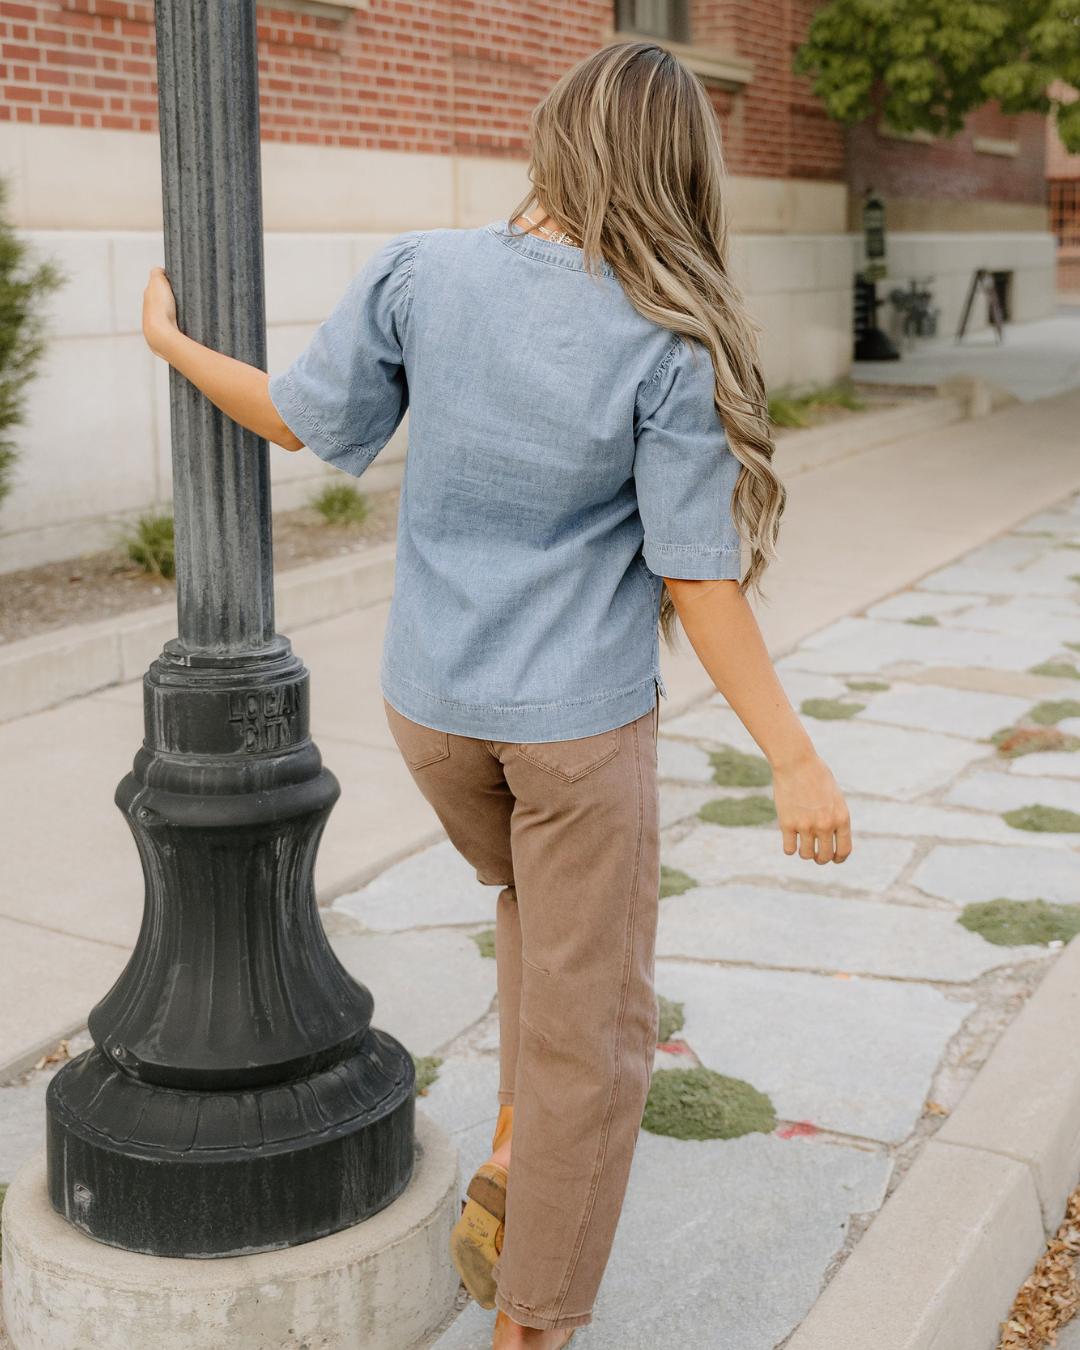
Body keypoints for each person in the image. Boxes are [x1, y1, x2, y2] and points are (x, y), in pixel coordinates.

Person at [142, 39, 851, 1350]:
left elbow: (299, 419)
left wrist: (173, 342)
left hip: (434, 720)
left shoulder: (426, 270)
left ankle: (519, 1137)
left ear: (555, 138)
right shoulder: (666, 338)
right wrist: (793, 757)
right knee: (600, 1039)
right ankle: (534, 1321)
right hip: (573, 732)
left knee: (530, 893)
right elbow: (699, 579)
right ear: (674, 171)